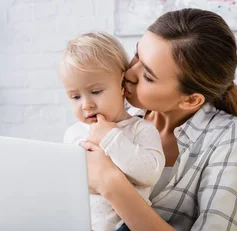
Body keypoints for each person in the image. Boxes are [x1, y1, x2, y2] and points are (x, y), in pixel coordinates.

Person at [78, 8, 237, 231]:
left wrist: (111, 184)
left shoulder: (228, 135)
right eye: (137, 55)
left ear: (190, 100)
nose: (130, 73)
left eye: (148, 76)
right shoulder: (115, 112)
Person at [59, 31, 166, 231]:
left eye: (96, 92)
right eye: (75, 97)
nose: (86, 105)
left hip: (126, 226)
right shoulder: (73, 134)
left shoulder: (140, 129)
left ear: (122, 85)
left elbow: (149, 174)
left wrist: (110, 137)